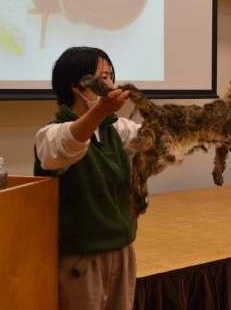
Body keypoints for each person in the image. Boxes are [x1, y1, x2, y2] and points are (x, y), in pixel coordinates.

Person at [34, 46, 140, 310]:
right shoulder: (50, 134)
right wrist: (99, 112)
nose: (111, 85)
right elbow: (69, 144)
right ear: (76, 86)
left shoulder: (114, 129)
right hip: (82, 262)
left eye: (111, 76)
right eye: (102, 78)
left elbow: (153, 138)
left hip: (122, 251)